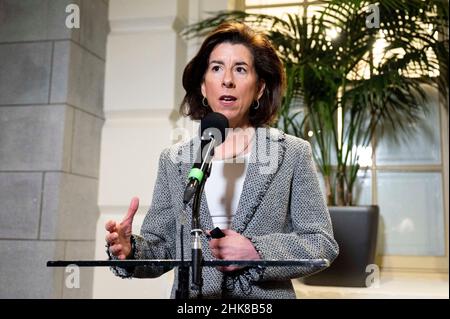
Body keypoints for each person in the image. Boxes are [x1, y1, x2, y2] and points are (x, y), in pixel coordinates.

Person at [105, 21, 338, 299]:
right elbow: (163, 248)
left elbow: (320, 243)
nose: (227, 79)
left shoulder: (292, 153)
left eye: (240, 69)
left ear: (260, 88)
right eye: (216, 68)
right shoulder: (174, 160)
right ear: (204, 86)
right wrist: (130, 249)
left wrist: (256, 251)